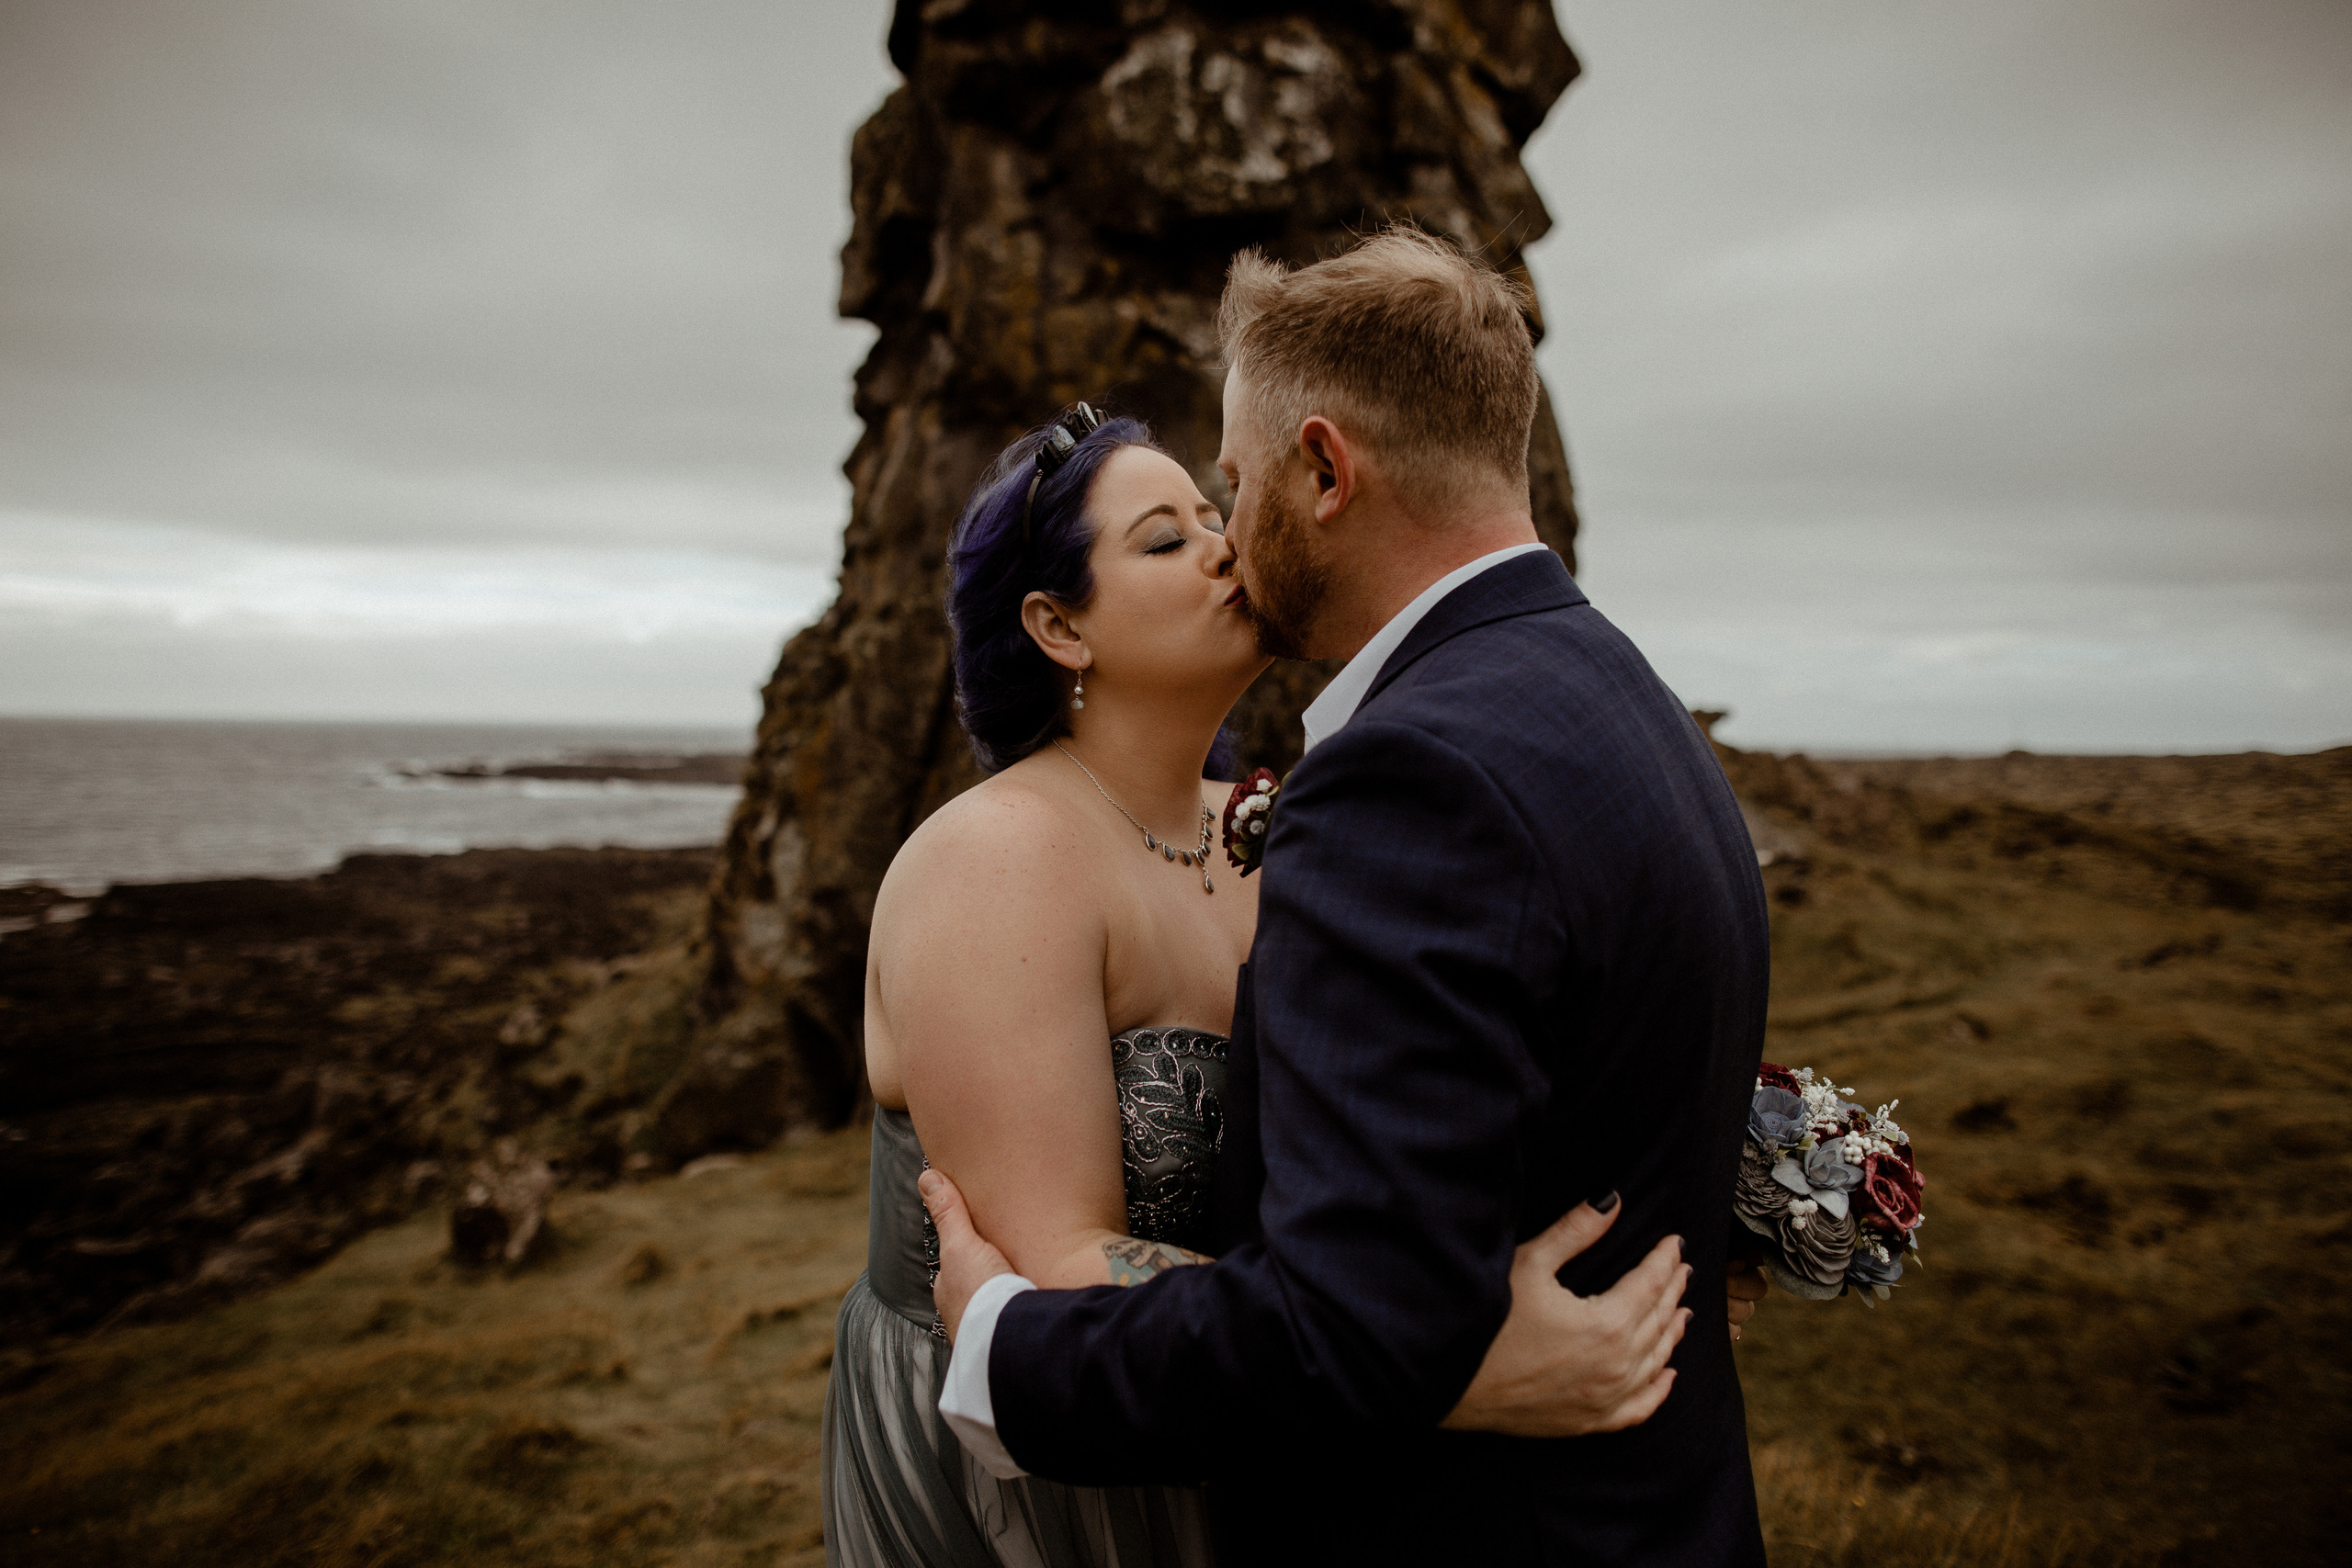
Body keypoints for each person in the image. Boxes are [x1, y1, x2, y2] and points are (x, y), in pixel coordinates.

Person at [918, 229, 1775, 1566]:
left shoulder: (1404, 780)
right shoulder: (1619, 695)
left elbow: (1349, 1320)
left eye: (1233, 488)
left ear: (1325, 469)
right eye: (1180, 522)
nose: (1228, 538)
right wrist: (1468, 1358)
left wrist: (1007, 1350)